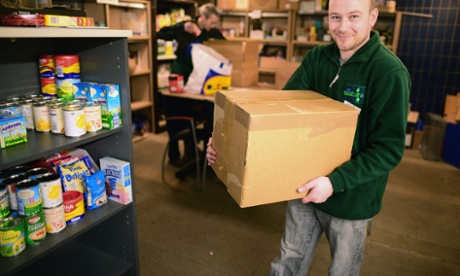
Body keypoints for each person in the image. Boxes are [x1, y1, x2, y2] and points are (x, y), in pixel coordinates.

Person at [206, 0, 411, 274]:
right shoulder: (317, 58)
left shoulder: (389, 72)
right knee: (287, 262)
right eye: (336, 17)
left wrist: (334, 181)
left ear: (372, 17)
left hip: (351, 198)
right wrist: (225, 143)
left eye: (354, 17)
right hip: (302, 186)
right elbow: (279, 118)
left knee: (342, 270)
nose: (343, 27)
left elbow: (388, 149)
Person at [159, 3, 225, 167]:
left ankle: (195, 151)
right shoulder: (185, 28)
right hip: (181, 77)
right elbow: (161, 33)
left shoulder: (212, 33)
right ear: (203, 18)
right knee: (174, 109)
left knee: (208, 111)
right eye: (212, 22)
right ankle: (174, 152)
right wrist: (180, 25)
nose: (214, 26)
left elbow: (228, 46)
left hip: (201, 82)